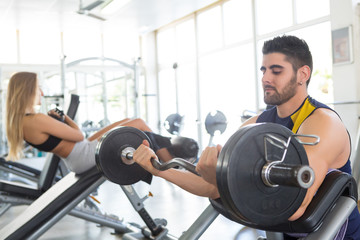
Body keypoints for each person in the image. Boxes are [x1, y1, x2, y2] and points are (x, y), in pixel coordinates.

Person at [133, 35, 360, 239]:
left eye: (276, 70)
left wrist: (224, 180)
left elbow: (296, 205)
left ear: (303, 74)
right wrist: (159, 168)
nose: (265, 78)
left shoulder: (323, 123)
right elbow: (211, 186)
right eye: (263, 70)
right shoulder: (259, 123)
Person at [5, 71, 196, 174]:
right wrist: (66, 119)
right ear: (28, 90)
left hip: (78, 152)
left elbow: (77, 136)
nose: (42, 93)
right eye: (38, 88)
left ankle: (168, 159)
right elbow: (78, 134)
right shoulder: (37, 119)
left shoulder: (22, 121)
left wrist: (62, 118)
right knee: (138, 124)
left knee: (132, 121)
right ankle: (170, 164)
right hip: (82, 154)